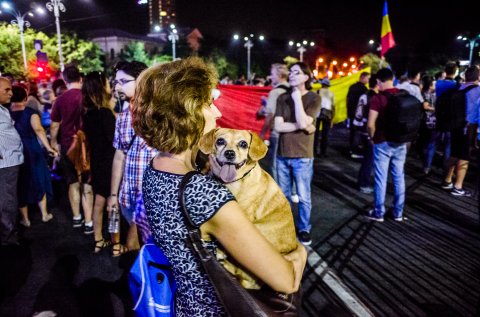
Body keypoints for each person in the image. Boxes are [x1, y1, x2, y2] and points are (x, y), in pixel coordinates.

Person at [132, 57, 307, 316]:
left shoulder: (155, 168)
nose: (218, 113)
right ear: (187, 113)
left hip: (184, 306)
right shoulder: (206, 195)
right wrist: (301, 252)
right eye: (209, 104)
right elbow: (286, 280)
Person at [107, 61, 153, 256]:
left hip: (152, 197)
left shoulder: (160, 115)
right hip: (128, 195)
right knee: (135, 251)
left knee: (148, 249)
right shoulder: (124, 116)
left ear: (142, 81)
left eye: (123, 81)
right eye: (116, 81)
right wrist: (113, 195)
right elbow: (119, 156)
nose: (117, 87)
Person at [274, 62, 321, 245]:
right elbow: (278, 126)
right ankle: (286, 228)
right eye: (290, 72)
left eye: (296, 72)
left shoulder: (314, 99)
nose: (291, 75)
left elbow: (303, 121)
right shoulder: (281, 98)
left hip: (303, 156)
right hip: (282, 154)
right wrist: (306, 127)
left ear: (306, 77)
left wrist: (296, 99)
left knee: (303, 196)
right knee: (283, 196)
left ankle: (304, 229)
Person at [50, 65, 94, 232]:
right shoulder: (87, 96)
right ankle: (89, 221)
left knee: (72, 182)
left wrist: (54, 142)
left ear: (65, 79)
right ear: (80, 78)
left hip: (68, 145)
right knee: (87, 183)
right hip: (87, 145)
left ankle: (77, 217)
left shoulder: (60, 99)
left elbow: (54, 125)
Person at [9, 86, 57, 227]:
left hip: (14, 150)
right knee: (39, 178)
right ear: (25, 97)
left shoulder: (6, 114)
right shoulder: (31, 113)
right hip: (32, 149)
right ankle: (44, 214)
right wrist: (49, 148)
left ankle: (25, 219)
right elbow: (38, 130)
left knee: (21, 182)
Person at [82, 72, 117, 250]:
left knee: (99, 201)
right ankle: (115, 239)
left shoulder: (88, 114)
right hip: (110, 162)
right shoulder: (105, 113)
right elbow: (114, 140)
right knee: (112, 202)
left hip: (97, 160)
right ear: (101, 87)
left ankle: (98, 240)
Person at [367, 68, 407, 222]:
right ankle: (398, 212)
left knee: (380, 178)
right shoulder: (402, 95)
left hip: (382, 142)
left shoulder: (378, 98)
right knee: (398, 177)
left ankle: (379, 212)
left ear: (378, 81)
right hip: (400, 142)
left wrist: (372, 138)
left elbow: (371, 124)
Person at [442, 66, 480, 197]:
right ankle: (458, 186)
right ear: (478, 77)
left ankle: (447, 180)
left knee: (454, 153)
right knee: (464, 157)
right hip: (469, 127)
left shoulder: (460, 88)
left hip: (455, 125)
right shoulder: (478, 90)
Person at [0, 77, 24, 246]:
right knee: (7, 201)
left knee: (9, 199)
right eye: (6, 90)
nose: (11, 93)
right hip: (5, 163)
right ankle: (8, 239)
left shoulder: (3, 109)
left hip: (11, 161)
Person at [259, 63, 290, 181]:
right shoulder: (293, 90)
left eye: (272, 74)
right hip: (292, 132)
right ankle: (291, 192)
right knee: (288, 164)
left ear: (279, 75)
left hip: (277, 132)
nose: (271, 77)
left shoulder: (275, 92)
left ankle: (278, 192)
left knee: (275, 164)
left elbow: (270, 114)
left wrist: (262, 133)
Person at [355, 75, 379, 194]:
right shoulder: (378, 98)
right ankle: (363, 183)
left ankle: (362, 181)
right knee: (369, 160)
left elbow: (358, 114)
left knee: (367, 158)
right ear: (378, 84)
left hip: (363, 130)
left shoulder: (364, 96)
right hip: (372, 131)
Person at [347, 71, 370, 158]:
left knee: (352, 132)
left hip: (351, 113)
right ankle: (355, 151)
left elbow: (347, 99)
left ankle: (351, 149)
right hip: (358, 114)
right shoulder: (364, 90)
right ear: (363, 78)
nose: (368, 81)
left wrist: (348, 110)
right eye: (368, 78)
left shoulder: (352, 87)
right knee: (358, 132)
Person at [314, 77, 335, 157]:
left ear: (322, 84)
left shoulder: (317, 91)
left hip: (318, 114)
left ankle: (314, 151)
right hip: (327, 114)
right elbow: (333, 106)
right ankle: (323, 152)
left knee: (316, 134)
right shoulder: (331, 93)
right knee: (325, 134)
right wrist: (332, 119)